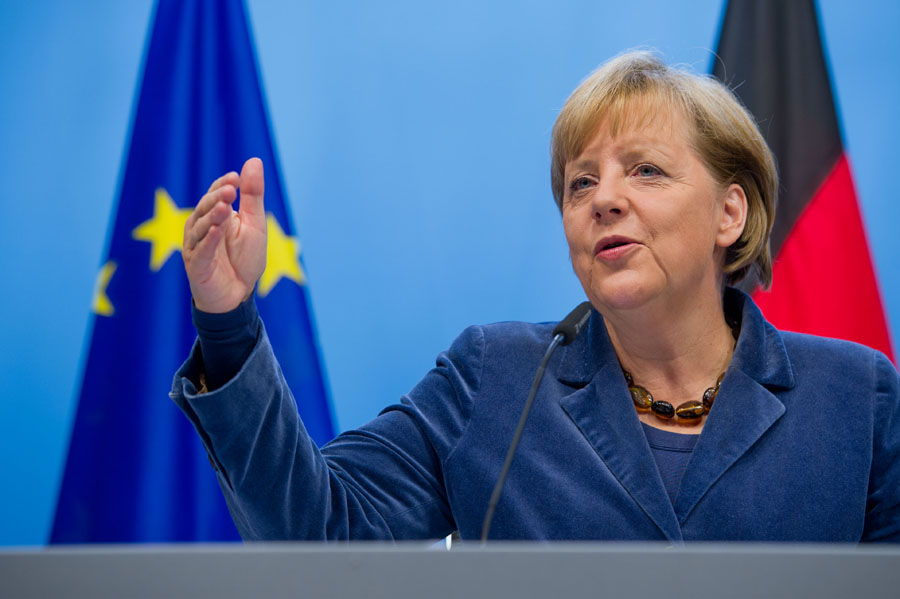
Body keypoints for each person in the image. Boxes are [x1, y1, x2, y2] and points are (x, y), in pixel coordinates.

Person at [171, 51, 900, 542]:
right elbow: (318, 527)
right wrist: (228, 323)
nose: (603, 199)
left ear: (729, 213)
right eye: (581, 182)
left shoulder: (858, 400)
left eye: (645, 170)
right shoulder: (496, 380)